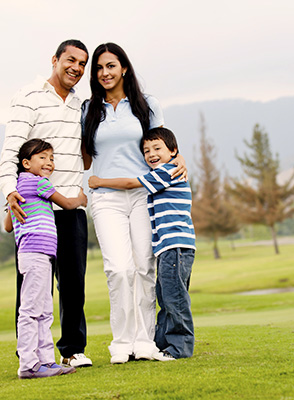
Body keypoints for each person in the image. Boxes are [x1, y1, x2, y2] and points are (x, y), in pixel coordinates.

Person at [81, 42, 187, 364]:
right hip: (105, 198)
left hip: (144, 195)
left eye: (111, 66)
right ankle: (121, 343)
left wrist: (180, 158)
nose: (105, 73)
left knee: (143, 268)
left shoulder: (146, 104)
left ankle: (144, 342)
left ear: (124, 68)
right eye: (99, 68)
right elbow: (85, 159)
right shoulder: (89, 109)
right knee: (119, 269)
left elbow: (163, 144)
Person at [0, 39, 93, 368]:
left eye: (82, 63)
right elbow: (12, 150)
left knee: (73, 284)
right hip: (34, 209)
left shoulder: (81, 105)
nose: (76, 68)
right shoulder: (29, 96)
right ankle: (29, 355)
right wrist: (9, 191)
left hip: (70, 206)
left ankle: (72, 350)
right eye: (71, 60)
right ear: (55, 60)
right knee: (31, 286)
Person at [88, 127, 196, 359]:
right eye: (146, 151)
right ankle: (162, 343)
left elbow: (130, 183)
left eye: (157, 148)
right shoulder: (164, 171)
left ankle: (180, 348)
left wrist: (99, 181)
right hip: (168, 248)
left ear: (173, 151)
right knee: (165, 296)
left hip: (175, 246)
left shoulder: (168, 171)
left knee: (174, 299)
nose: (151, 154)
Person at [4, 138, 88, 379]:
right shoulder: (38, 183)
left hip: (34, 254)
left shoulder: (17, 188)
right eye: (42, 157)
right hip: (36, 254)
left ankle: (46, 361)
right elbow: (67, 204)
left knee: (43, 309)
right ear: (26, 163)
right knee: (32, 309)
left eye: (51, 158)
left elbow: (8, 226)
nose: (49, 162)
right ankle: (29, 364)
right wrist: (81, 199)